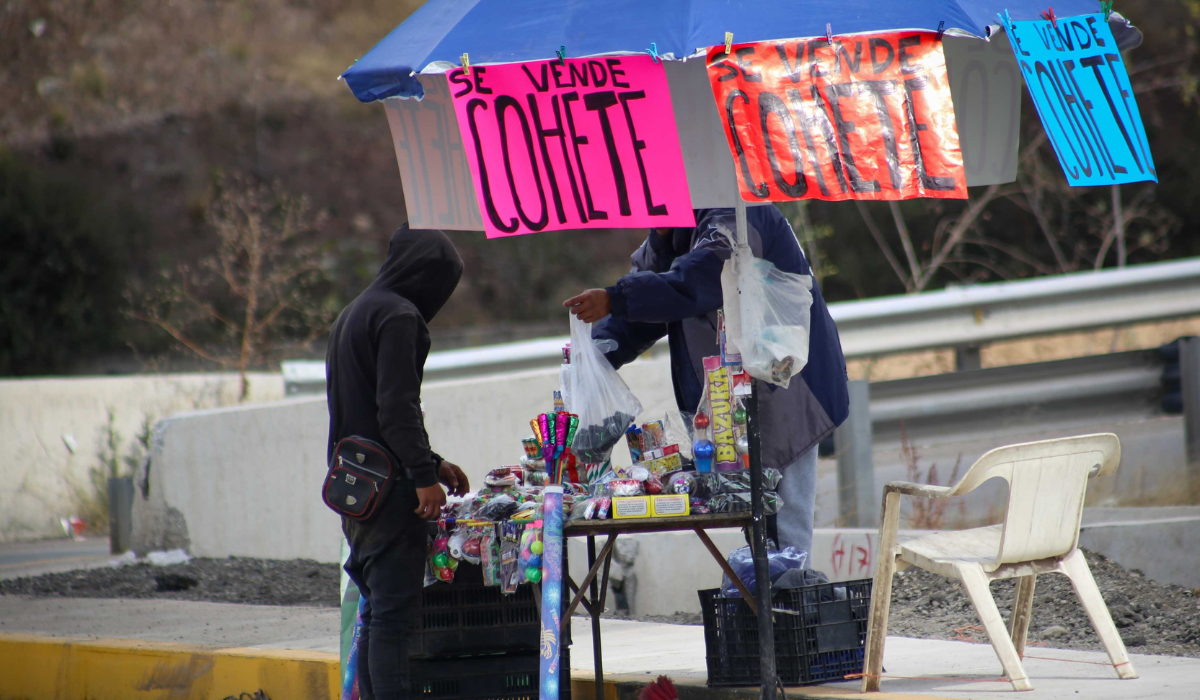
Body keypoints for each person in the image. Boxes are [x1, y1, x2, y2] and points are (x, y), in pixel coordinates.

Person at [563, 206, 848, 557]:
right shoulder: (676, 232)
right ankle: (767, 594)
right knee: (753, 509)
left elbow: (699, 279)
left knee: (780, 520)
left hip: (784, 384)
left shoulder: (742, 215)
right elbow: (648, 306)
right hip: (737, 396)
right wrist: (597, 353)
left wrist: (616, 297)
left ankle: (784, 596)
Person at [326, 224, 470, 700]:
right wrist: (424, 477)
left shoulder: (354, 312)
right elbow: (397, 408)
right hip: (391, 495)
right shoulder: (399, 315)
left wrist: (434, 460)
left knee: (376, 616)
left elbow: (365, 410)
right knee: (392, 625)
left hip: (354, 489)